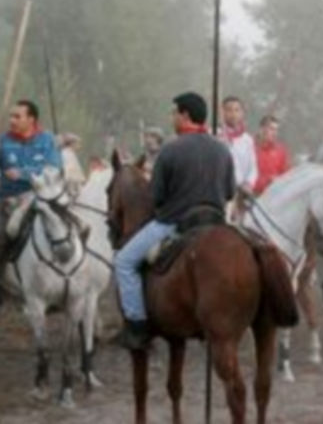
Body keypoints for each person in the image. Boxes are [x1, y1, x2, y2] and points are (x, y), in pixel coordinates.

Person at [114, 92, 235, 349]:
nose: (172, 118)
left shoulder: (170, 149)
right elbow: (229, 193)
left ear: (185, 115)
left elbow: (156, 198)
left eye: (174, 113)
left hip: (175, 223)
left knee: (123, 261)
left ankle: (136, 326)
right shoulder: (222, 149)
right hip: (216, 223)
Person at [0, 100, 62, 307]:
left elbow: (53, 170)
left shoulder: (47, 140)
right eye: (10, 116)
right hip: (8, 200)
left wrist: (23, 174)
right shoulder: (2, 141)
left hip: (40, 198)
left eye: (17, 116)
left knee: (69, 228)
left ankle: (75, 280)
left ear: (31, 119)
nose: (12, 120)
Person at [220, 96, 257, 193]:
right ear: (222, 112)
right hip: (221, 190)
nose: (233, 114)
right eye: (229, 110)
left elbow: (252, 167)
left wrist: (248, 184)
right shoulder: (214, 135)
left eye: (237, 110)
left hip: (241, 192)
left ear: (242, 113)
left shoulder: (247, 140)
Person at [253, 114, 290, 195]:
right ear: (261, 129)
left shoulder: (281, 150)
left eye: (276, 130)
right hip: (252, 195)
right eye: (271, 129)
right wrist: (267, 181)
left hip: (274, 196)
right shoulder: (250, 148)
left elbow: (286, 175)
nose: (275, 133)